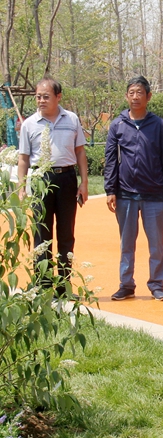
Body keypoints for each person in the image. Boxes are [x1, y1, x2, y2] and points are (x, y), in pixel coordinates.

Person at [104, 76, 163, 302]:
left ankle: (157, 284)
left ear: (148, 96)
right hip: (125, 194)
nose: (135, 96)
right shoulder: (117, 125)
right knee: (127, 244)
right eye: (131, 92)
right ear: (127, 96)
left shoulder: (159, 125)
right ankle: (126, 284)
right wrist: (110, 190)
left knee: (156, 244)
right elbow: (110, 160)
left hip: (154, 194)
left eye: (140, 93)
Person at [17, 77, 89, 285]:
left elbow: (80, 152)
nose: (41, 101)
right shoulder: (29, 124)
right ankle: (44, 284)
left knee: (66, 233)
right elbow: (23, 159)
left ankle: (63, 284)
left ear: (58, 97)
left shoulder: (72, 119)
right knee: (41, 233)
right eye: (38, 97)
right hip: (41, 179)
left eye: (46, 97)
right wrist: (22, 188)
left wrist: (83, 183)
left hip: (66, 179)